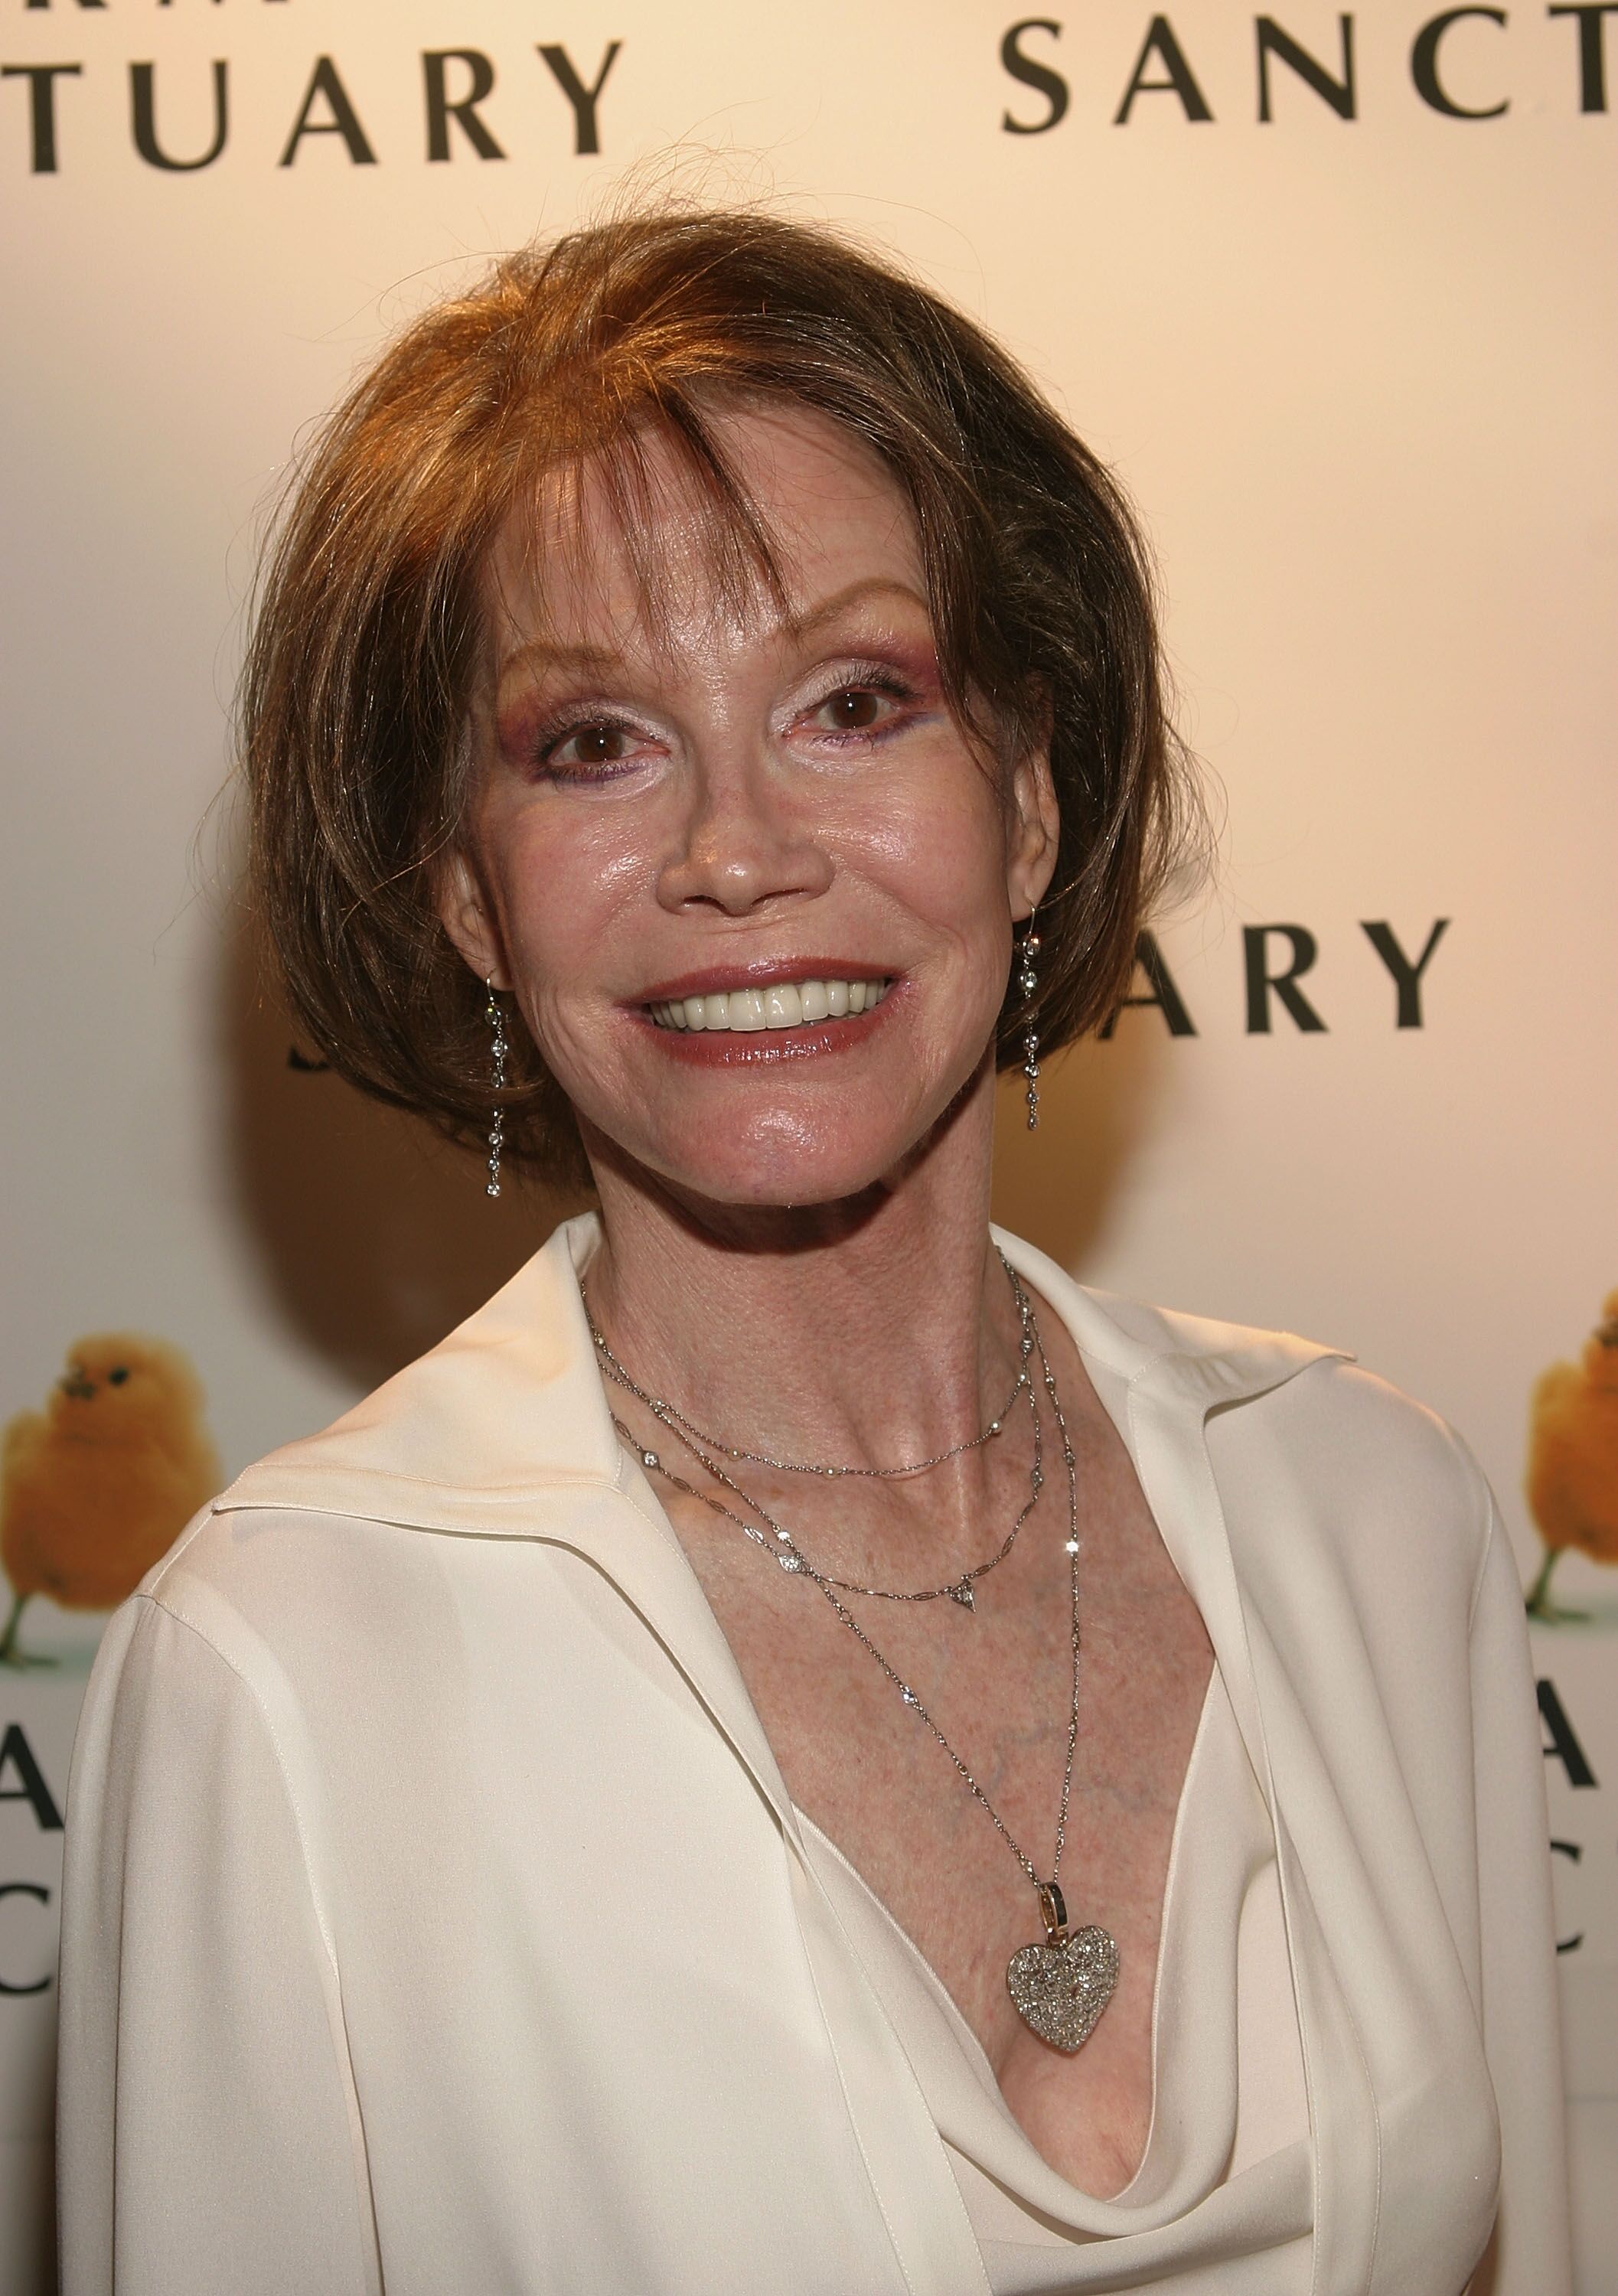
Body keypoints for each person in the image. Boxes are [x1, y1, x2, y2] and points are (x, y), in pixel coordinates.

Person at [57, 205, 1567, 2295]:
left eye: (853, 702)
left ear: (1025, 802)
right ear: (469, 901)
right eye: (591, 742)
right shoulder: (292, 1665)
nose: (740, 854)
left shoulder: (1362, 1509)